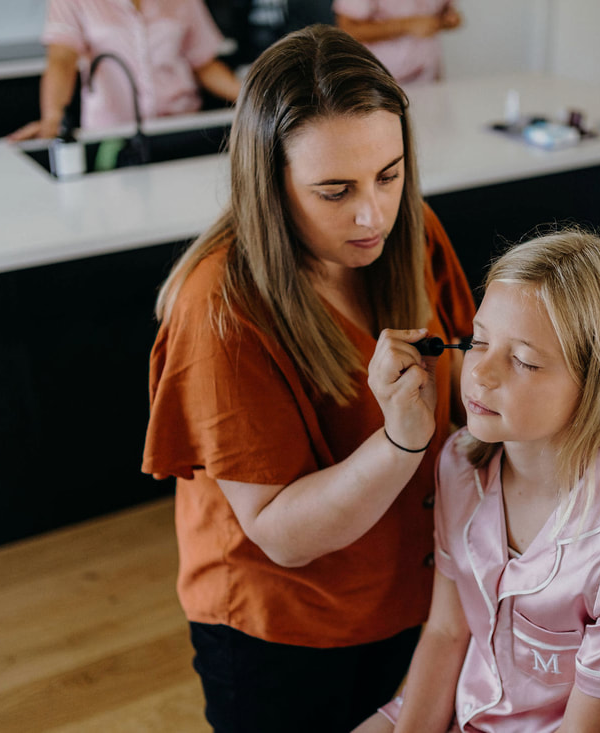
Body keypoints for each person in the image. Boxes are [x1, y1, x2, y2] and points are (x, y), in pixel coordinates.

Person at [141, 24, 475, 733]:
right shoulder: (221, 309)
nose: (372, 213)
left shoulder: (410, 232)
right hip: (283, 630)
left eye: (390, 174)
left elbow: (472, 377)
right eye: (334, 190)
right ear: (267, 183)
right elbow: (283, 534)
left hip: (412, 592)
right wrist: (402, 441)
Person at [354, 231, 600, 733]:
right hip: (468, 702)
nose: (480, 374)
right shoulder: (458, 465)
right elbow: (448, 632)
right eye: (479, 341)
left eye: (524, 360)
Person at [9, 0, 242, 141]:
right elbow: (62, 59)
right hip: (112, 133)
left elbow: (203, 62)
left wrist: (251, 97)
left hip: (180, 126)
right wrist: (52, 118)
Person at [333, 0, 461, 85]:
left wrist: (448, 20)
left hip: (430, 78)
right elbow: (348, 29)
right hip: (382, 83)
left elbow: (446, 12)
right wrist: (405, 26)